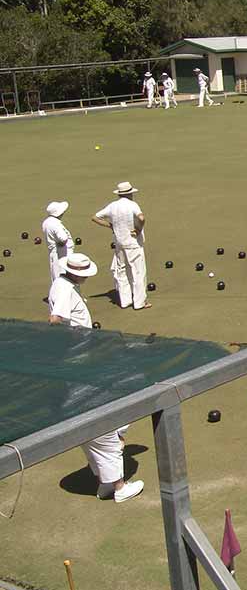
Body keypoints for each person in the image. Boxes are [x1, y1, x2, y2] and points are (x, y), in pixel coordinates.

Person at [48, 251, 145, 503]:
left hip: (82, 359)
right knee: (104, 413)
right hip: (79, 362)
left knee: (95, 414)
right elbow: (56, 320)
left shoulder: (63, 284)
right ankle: (119, 487)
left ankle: (106, 482)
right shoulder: (64, 289)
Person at [92, 181, 150, 311]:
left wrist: (110, 225)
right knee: (138, 272)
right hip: (133, 244)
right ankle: (140, 302)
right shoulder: (132, 205)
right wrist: (139, 229)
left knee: (122, 271)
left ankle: (125, 301)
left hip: (119, 243)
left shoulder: (112, 206)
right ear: (130, 193)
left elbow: (95, 217)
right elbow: (141, 218)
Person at [42, 201, 75, 281]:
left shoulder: (46, 222)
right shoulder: (55, 224)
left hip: (55, 253)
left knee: (56, 275)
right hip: (62, 254)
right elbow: (63, 238)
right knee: (63, 277)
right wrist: (61, 243)